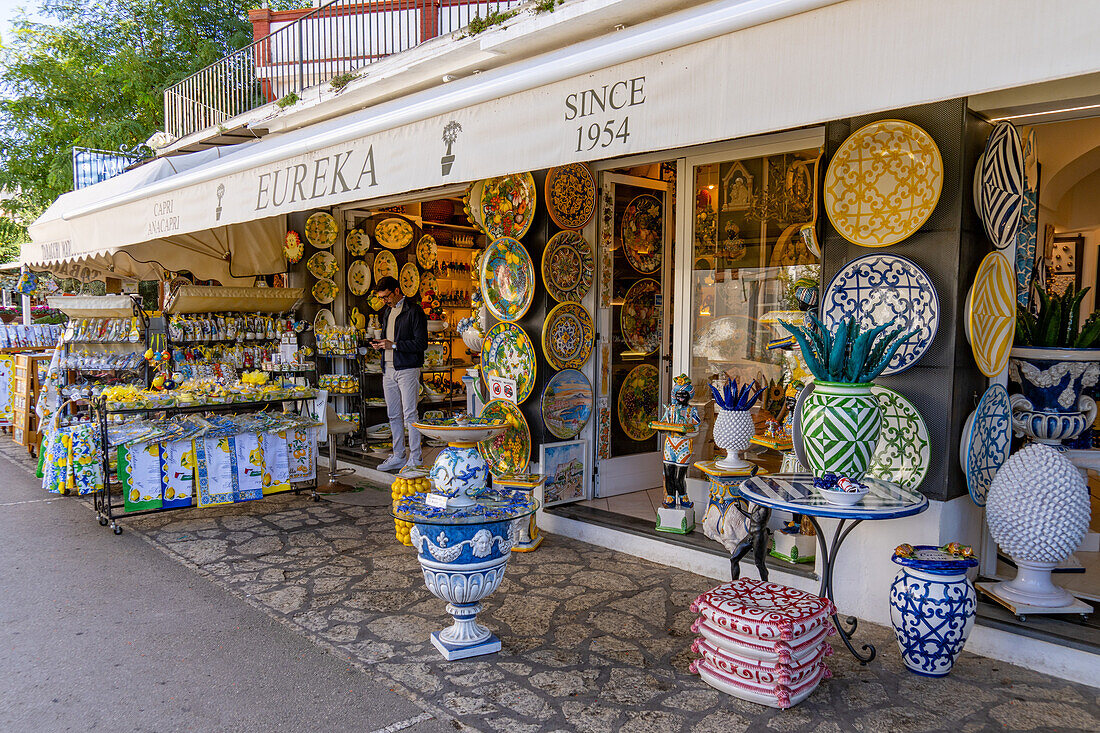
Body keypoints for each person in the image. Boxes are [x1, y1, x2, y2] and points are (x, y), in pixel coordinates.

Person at [370, 276, 428, 471]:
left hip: (408, 369)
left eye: (386, 296)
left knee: (410, 414)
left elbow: (422, 344)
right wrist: (380, 345)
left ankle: (416, 458)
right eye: (382, 298)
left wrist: (393, 345)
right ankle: (398, 456)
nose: (384, 301)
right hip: (388, 368)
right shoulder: (387, 312)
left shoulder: (414, 311)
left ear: (396, 291)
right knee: (393, 415)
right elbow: (390, 341)